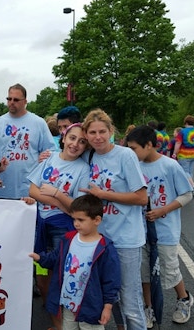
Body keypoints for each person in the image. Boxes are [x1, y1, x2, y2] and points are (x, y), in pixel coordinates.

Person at [80, 108, 148, 330]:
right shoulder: (87, 156)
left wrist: (104, 195)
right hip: (100, 240)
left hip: (126, 239)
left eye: (102, 131)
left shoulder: (125, 155)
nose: (97, 137)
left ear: (111, 131)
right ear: (86, 134)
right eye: (92, 132)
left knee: (130, 299)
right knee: (109, 297)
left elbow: (141, 197)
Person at [125, 125, 194, 327]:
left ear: (149, 145)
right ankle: (149, 308)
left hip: (165, 232)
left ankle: (183, 299)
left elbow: (187, 194)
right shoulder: (134, 165)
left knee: (169, 270)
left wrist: (163, 210)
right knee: (144, 272)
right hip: (140, 231)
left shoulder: (170, 166)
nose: (132, 153)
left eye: (134, 148)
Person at [26, 123, 91, 330]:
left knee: (58, 279)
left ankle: (64, 325)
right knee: (41, 277)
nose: (75, 144)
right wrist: (58, 203)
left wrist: (55, 194)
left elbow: (77, 209)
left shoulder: (83, 169)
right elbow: (33, 190)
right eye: (72, 138)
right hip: (40, 223)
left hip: (62, 229)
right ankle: (57, 322)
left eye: (82, 142)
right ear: (63, 138)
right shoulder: (50, 159)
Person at [29, 194, 121, 330]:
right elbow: (55, 258)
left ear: (97, 220)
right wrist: (40, 258)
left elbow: (111, 280)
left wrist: (107, 306)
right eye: (74, 219)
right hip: (68, 303)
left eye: (81, 220)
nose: (76, 223)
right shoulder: (68, 238)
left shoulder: (104, 247)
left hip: (91, 307)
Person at [0, 83, 56, 199]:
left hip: (28, 191)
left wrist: (45, 156)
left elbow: (50, 150)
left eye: (16, 100)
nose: (11, 102)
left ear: (25, 102)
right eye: (9, 99)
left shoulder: (38, 123)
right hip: (0, 189)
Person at [173, 115, 194, 195]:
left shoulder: (182, 132)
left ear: (185, 122)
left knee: (184, 171)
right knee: (190, 171)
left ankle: (193, 186)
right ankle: (190, 188)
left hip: (184, 154)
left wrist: (175, 153)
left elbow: (178, 143)